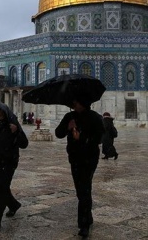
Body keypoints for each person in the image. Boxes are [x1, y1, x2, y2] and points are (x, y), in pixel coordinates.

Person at [55, 98, 104, 238]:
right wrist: (68, 127)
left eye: (76, 102)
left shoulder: (95, 117)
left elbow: (99, 138)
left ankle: (84, 225)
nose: (74, 104)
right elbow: (58, 133)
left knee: (85, 188)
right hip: (75, 158)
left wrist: (81, 138)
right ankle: (87, 216)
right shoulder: (69, 117)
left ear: (83, 103)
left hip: (89, 158)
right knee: (80, 190)